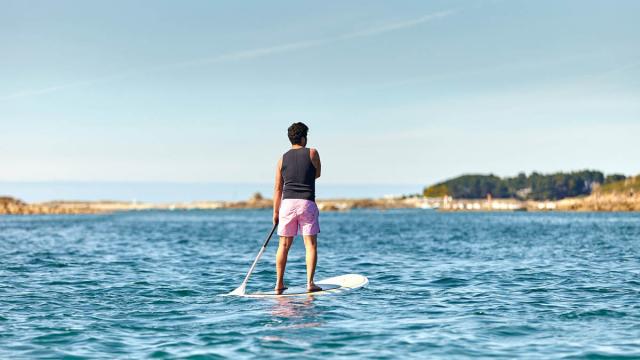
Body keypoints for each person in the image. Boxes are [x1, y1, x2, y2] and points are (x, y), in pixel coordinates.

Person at [273, 122, 322, 294]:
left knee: (284, 245)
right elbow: (317, 174)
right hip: (306, 203)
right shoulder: (312, 153)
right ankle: (310, 283)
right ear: (303, 137)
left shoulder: (281, 159)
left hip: (286, 204)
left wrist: (276, 211)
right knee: (310, 245)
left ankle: (279, 283)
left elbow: (278, 188)